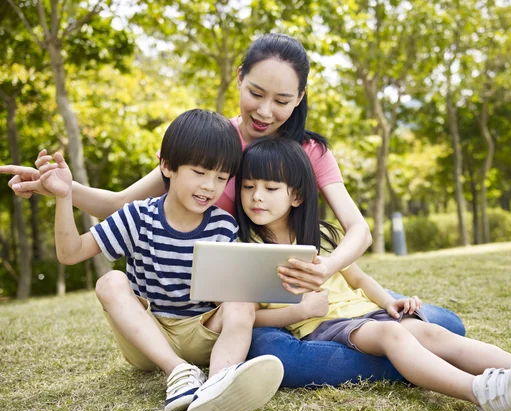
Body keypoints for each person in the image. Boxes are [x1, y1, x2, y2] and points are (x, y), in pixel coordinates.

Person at [0, 33, 465, 387]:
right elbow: (123, 204)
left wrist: (325, 269)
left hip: (283, 305)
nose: (265, 110)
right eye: (256, 93)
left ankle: (397, 351)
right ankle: (403, 358)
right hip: (219, 312)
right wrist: (57, 190)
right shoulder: (211, 145)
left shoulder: (308, 152)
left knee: (439, 321)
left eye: (282, 101)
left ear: (299, 98)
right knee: (269, 348)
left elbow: (358, 229)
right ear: (239, 77)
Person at [235, 135, 511, 411]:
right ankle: (480, 392)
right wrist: (297, 311)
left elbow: (358, 278)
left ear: (295, 195)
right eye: (249, 187)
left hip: (363, 313)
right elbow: (248, 317)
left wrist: (388, 302)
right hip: (323, 326)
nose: (257, 196)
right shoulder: (249, 250)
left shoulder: (322, 237)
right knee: (393, 333)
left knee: (432, 332)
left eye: (270, 187)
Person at [36, 109, 284, 411]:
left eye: (221, 178)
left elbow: (236, 301)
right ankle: (177, 371)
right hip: (148, 339)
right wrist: (64, 196)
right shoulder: (138, 216)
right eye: (199, 172)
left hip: (203, 332)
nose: (210, 186)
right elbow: (70, 253)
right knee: (110, 281)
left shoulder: (225, 225)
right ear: (166, 165)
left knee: (242, 297)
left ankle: (218, 383)